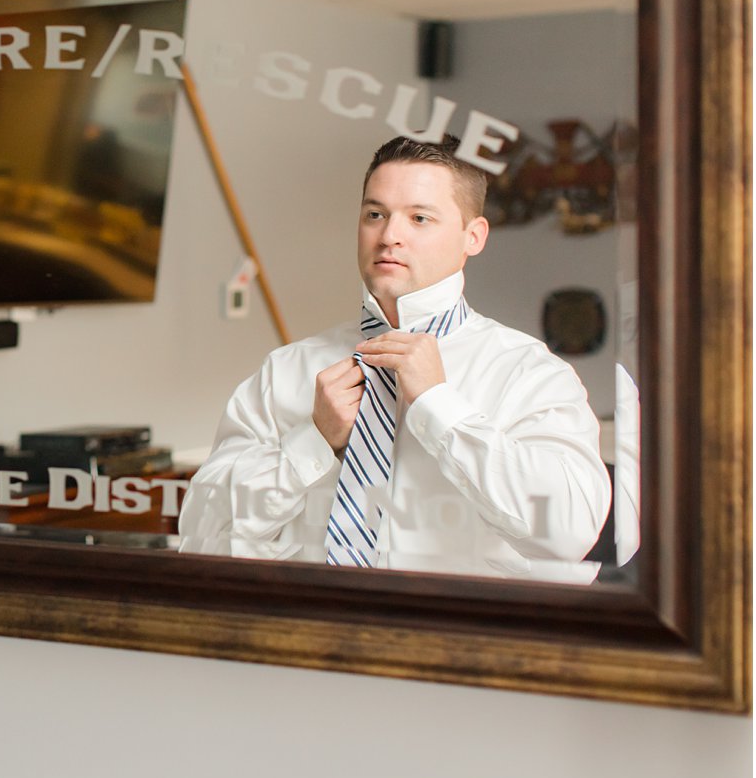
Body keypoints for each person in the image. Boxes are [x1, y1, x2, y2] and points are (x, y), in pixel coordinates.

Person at [178, 135, 611, 582]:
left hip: (462, 644)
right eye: (375, 215)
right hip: (306, 640)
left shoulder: (528, 374)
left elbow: (569, 534)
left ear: (473, 236)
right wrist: (312, 442)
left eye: (419, 218)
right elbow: (201, 537)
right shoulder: (287, 371)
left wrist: (441, 409)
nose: (389, 236)